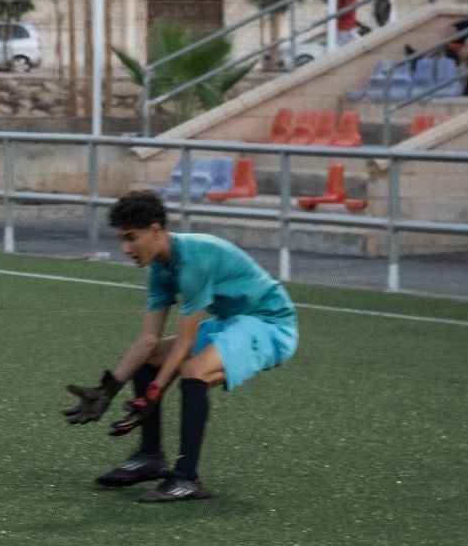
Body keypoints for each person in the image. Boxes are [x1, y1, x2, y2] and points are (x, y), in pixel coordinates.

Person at [63, 190, 298, 502]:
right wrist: (108, 389)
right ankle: (150, 457)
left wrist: (152, 394)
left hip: (270, 325)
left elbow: (185, 343)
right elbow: (148, 341)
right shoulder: (160, 268)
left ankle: (187, 478)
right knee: (155, 356)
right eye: (122, 239)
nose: (126, 249)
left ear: (156, 230)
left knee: (193, 370)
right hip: (235, 322)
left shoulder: (194, 261)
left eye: (132, 238)